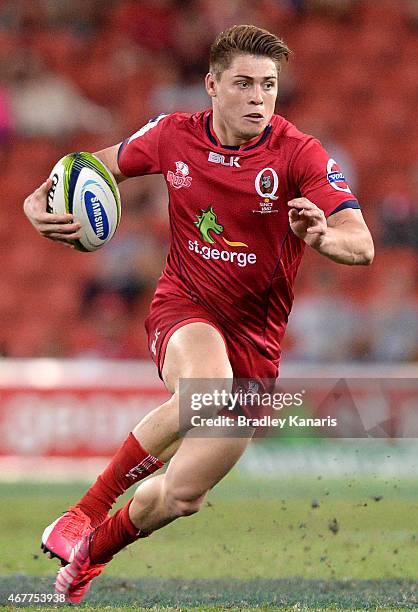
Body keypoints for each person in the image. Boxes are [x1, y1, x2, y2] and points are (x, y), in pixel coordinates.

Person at [23, 25, 374, 603]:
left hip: (256, 345)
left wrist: (323, 239)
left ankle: (89, 557)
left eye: (268, 85)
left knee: (182, 496)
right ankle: (81, 513)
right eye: (243, 83)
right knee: (205, 390)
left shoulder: (298, 153)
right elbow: (93, 163)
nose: (258, 97)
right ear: (210, 85)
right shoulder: (171, 136)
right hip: (184, 307)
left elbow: (361, 244)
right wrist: (39, 196)